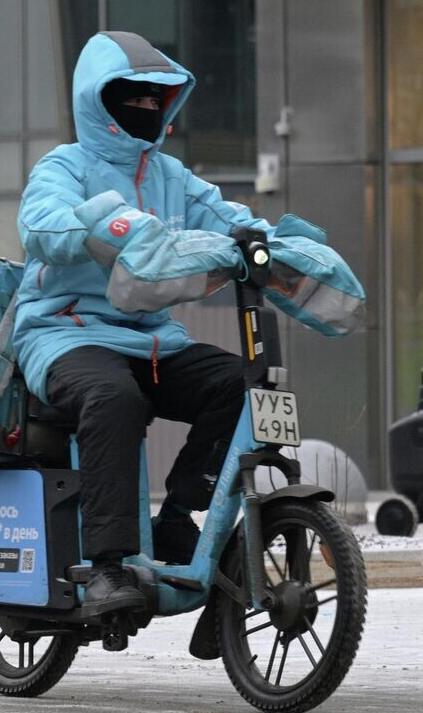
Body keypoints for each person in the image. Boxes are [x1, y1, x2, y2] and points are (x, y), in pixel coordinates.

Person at [14, 31, 272, 614]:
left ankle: (180, 519)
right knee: (113, 398)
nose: (149, 109)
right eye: (134, 97)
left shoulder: (172, 176)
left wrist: (281, 248)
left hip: (151, 338)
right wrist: (105, 228)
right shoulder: (66, 165)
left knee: (241, 384)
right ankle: (106, 566)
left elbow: (232, 218)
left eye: (159, 101)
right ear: (98, 99)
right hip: (63, 333)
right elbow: (42, 226)